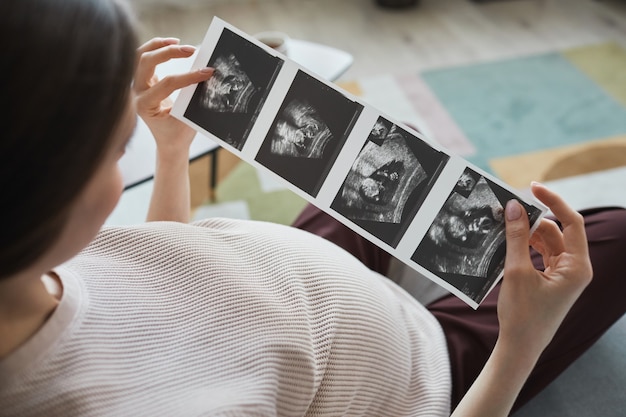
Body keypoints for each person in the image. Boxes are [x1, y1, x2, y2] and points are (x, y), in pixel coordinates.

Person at [0, 1, 624, 416]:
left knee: (390, 150)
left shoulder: (34, 270)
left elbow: (162, 278)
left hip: (289, 277)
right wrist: (524, 338)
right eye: (116, 151)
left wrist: (169, 154)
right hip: (418, 372)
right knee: (609, 239)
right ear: (43, 202)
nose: (126, 145)